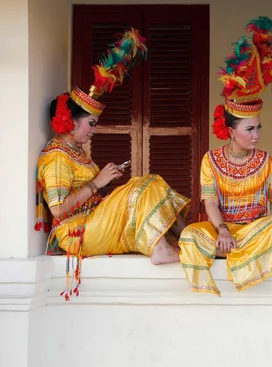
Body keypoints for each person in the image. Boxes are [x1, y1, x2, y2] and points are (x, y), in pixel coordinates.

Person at [35, 29, 190, 300]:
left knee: (149, 182)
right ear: (70, 122)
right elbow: (58, 209)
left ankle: (183, 237)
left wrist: (105, 187)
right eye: (91, 124)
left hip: (93, 221)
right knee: (145, 183)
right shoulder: (56, 156)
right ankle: (168, 245)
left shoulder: (77, 152)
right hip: (76, 232)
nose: (93, 131)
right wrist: (98, 183)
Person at [178, 17, 272, 296]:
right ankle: (232, 252)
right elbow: (210, 203)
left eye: (258, 128)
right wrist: (224, 231)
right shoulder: (210, 160)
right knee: (190, 235)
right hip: (223, 232)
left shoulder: (266, 161)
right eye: (249, 129)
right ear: (230, 131)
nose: (256, 135)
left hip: (254, 231)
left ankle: (235, 256)